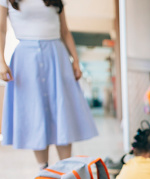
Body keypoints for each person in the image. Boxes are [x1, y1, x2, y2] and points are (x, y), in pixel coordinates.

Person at [0, 0, 98, 169]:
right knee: (34, 114)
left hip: (56, 56)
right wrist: (1, 61)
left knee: (62, 111)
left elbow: (65, 31)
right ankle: (43, 172)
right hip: (26, 59)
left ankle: (66, 171)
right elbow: (1, 30)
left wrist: (75, 60)